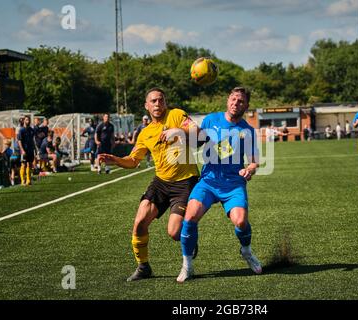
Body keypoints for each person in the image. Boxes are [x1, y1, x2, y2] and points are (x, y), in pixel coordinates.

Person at [98, 88, 200, 282]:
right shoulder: (145, 133)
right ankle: (144, 267)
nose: (157, 104)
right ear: (146, 106)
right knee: (139, 223)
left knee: (174, 232)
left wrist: (178, 131)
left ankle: (190, 237)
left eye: (160, 100)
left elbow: (198, 133)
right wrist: (116, 159)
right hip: (161, 182)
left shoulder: (177, 115)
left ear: (165, 102)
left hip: (185, 182)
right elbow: (133, 160)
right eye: (153, 101)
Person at [176, 86, 262, 283]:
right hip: (208, 181)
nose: (235, 103)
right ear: (227, 100)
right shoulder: (211, 120)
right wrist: (188, 130)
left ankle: (246, 251)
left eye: (240, 101)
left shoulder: (247, 131)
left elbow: (255, 160)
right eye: (233, 99)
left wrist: (250, 169)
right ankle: (187, 266)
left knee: (240, 221)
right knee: (189, 217)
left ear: (246, 105)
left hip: (233, 184)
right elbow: (196, 142)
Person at [17, 115, 36, 186]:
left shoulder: (31, 130)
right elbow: (19, 141)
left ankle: (28, 180)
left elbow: (33, 140)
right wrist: (22, 150)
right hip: (24, 150)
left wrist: (35, 150)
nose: (28, 121)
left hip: (30, 150)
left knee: (30, 164)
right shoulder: (21, 130)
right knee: (23, 164)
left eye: (29, 120)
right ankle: (22, 181)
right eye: (27, 120)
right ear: (24, 121)